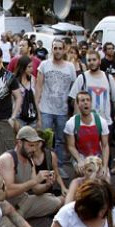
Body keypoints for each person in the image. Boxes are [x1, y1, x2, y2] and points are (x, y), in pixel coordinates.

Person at [0, 126, 65, 223]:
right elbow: (7, 192)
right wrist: (35, 180)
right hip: (6, 205)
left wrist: (47, 184)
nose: (34, 149)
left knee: (57, 202)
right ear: (19, 143)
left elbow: (36, 189)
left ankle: (24, 216)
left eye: (36, 145)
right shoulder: (7, 159)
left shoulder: (29, 160)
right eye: (31, 145)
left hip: (24, 201)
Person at [37, 39, 77, 169]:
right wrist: (37, 107)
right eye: (55, 48)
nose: (58, 51)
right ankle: (45, 167)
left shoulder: (70, 67)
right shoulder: (44, 65)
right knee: (45, 139)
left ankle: (58, 168)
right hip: (45, 109)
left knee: (60, 140)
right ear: (52, 49)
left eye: (60, 48)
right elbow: (38, 86)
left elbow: (74, 89)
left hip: (62, 110)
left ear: (64, 50)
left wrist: (74, 111)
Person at [64, 92, 111, 168]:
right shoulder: (71, 123)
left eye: (88, 100)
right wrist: (79, 160)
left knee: (105, 178)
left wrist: (105, 167)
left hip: (97, 156)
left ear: (91, 103)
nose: (86, 102)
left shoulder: (102, 122)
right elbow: (71, 146)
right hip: (80, 156)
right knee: (81, 172)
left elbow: (105, 146)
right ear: (78, 104)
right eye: (82, 100)